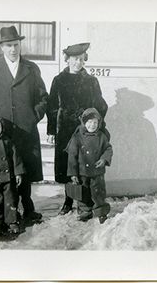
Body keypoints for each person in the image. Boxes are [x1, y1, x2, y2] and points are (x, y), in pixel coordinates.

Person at [0, 26, 47, 225]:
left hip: (26, 131)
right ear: (2, 48)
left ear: (19, 45)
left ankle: (28, 209)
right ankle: (4, 216)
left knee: (25, 171)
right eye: (9, 46)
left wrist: (34, 116)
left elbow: (42, 97)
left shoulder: (31, 68)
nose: (13, 49)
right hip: (0, 132)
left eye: (15, 45)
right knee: (3, 174)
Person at [46, 42, 108, 215]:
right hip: (65, 129)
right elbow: (51, 106)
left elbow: (101, 106)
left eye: (81, 59)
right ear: (67, 60)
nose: (78, 63)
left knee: (84, 164)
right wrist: (51, 130)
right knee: (68, 164)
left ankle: (85, 202)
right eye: (74, 59)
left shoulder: (91, 81)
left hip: (85, 131)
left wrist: (94, 123)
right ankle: (67, 201)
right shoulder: (59, 80)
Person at [66, 108, 113, 224]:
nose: (92, 125)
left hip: (97, 172)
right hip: (83, 172)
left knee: (99, 193)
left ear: (99, 124)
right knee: (83, 193)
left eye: (95, 123)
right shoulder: (77, 138)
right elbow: (72, 157)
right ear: (84, 123)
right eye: (89, 122)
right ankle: (85, 211)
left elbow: (108, 149)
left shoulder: (101, 136)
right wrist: (73, 174)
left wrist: (103, 159)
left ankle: (101, 212)